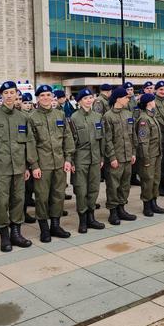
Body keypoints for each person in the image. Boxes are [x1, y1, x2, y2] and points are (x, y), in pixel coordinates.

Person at [0, 81, 40, 252]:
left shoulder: (23, 117)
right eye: (6, 93)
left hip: (19, 167)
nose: (10, 96)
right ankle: (4, 236)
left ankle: (16, 233)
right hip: (0, 168)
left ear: (17, 95)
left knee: (18, 200)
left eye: (12, 93)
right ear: (1, 96)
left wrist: (29, 166)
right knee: (1, 202)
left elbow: (29, 143)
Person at [28, 85, 75, 242]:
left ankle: (55, 225)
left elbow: (67, 137)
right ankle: (44, 229)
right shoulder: (32, 117)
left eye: (49, 95)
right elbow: (30, 143)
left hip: (60, 163)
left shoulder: (60, 115)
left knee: (58, 195)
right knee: (42, 198)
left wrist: (68, 159)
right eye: (43, 95)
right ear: (38, 98)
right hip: (43, 164)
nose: (46, 97)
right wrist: (34, 165)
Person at [68, 89, 105, 233]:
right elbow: (70, 141)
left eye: (90, 97)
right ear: (79, 101)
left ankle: (91, 217)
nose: (89, 100)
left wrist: (101, 157)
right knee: (81, 190)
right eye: (85, 98)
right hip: (80, 159)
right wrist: (70, 161)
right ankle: (82, 220)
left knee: (94, 189)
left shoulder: (98, 116)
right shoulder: (74, 118)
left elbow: (102, 138)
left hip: (95, 158)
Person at [102, 87, 137, 225]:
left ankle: (122, 208)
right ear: (118, 99)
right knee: (113, 186)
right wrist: (112, 157)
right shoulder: (108, 116)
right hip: (116, 158)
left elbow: (133, 135)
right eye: (126, 97)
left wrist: (133, 152)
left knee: (125, 185)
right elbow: (107, 140)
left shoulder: (128, 114)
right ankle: (113, 212)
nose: (128, 99)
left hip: (128, 156)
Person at [135, 93, 164, 217]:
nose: (155, 102)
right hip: (149, 156)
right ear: (149, 103)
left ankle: (154, 202)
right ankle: (147, 205)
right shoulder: (144, 119)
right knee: (148, 180)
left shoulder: (152, 116)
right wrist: (145, 158)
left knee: (155, 179)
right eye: (153, 100)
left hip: (156, 154)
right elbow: (143, 141)